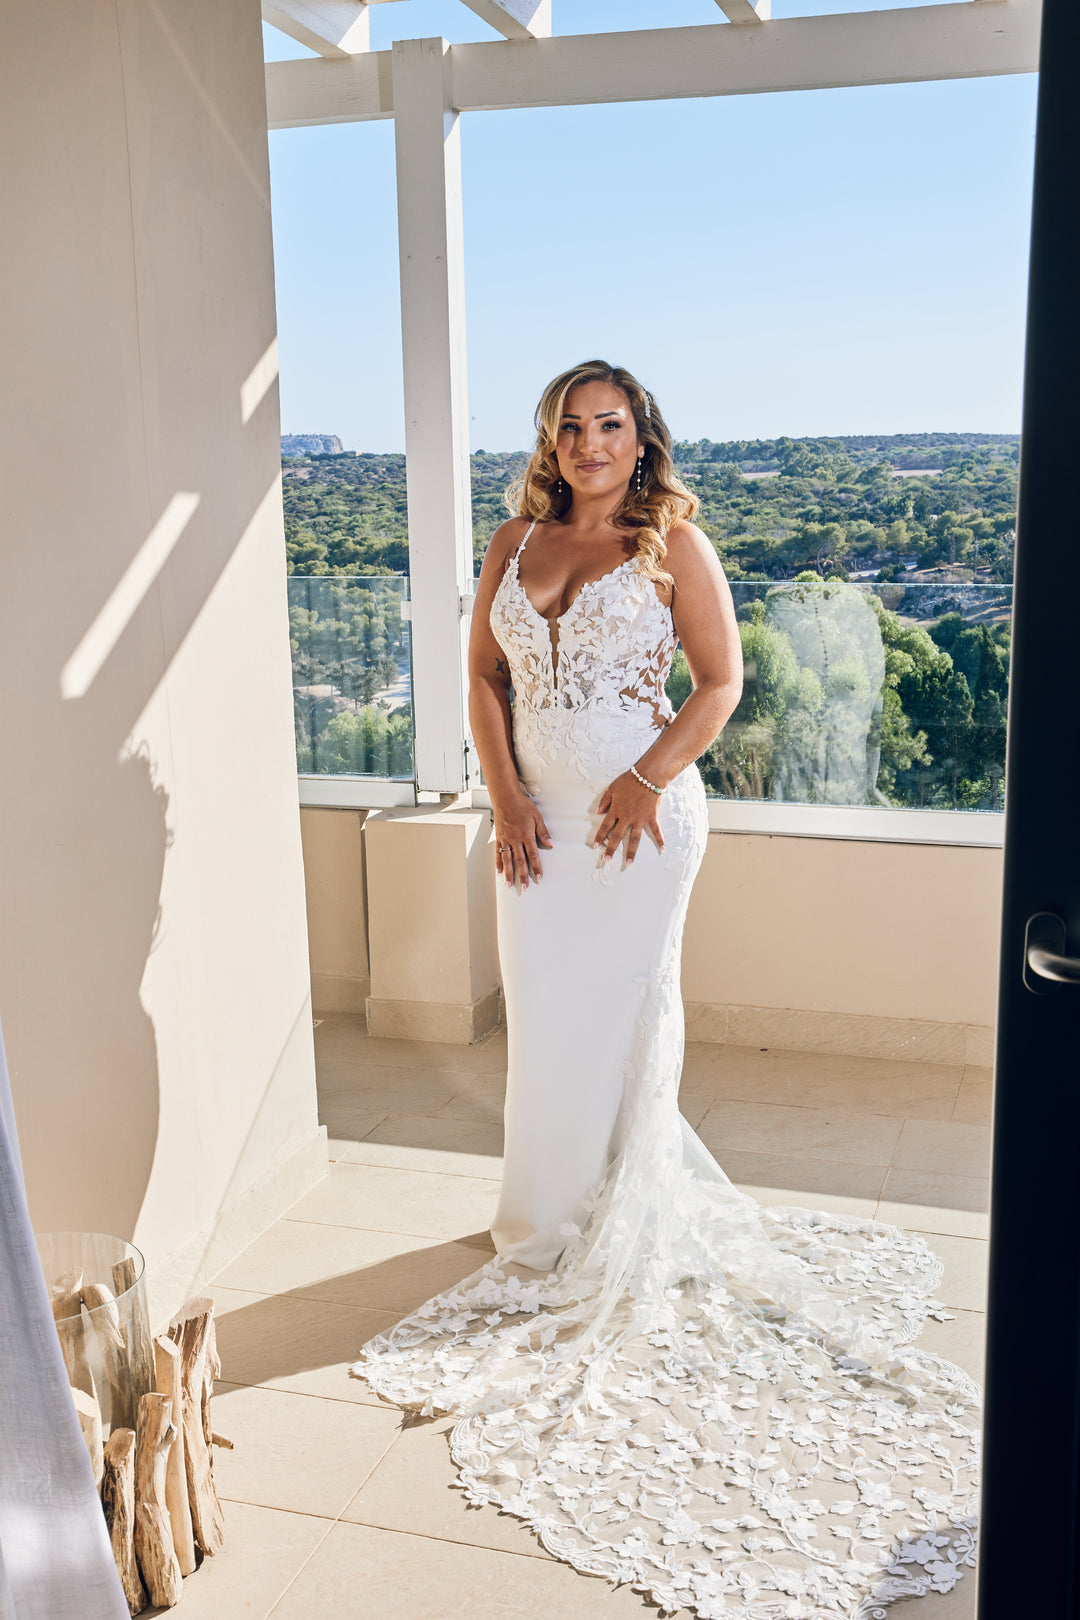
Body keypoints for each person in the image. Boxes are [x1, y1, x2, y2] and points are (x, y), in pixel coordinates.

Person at [354, 361, 980, 1619]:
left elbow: (722, 685)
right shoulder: (515, 538)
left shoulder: (674, 543)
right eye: (571, 427)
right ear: (550, 441)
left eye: (611, 425)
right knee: (546, 1023)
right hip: (535, 827)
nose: (591, 443)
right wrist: (508, 795)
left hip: (643, 827)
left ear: (642, 438)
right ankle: (547, 1220)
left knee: (621, 1020)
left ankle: (618, 1220)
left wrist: (641, 779)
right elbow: (483, 676)